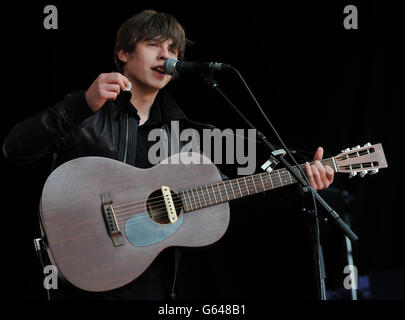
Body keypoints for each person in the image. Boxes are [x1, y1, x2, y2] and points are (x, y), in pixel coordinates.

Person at [2, 9, 334, 299]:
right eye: (153, 45)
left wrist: (300, 181)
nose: (166, 55)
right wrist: (77, 107)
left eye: (173, 49)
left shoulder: (188, 135)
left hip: (154, 287)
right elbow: (15, 149)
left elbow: (231, 199)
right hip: (82, 279)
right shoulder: (89, 112)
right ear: (123, 54)